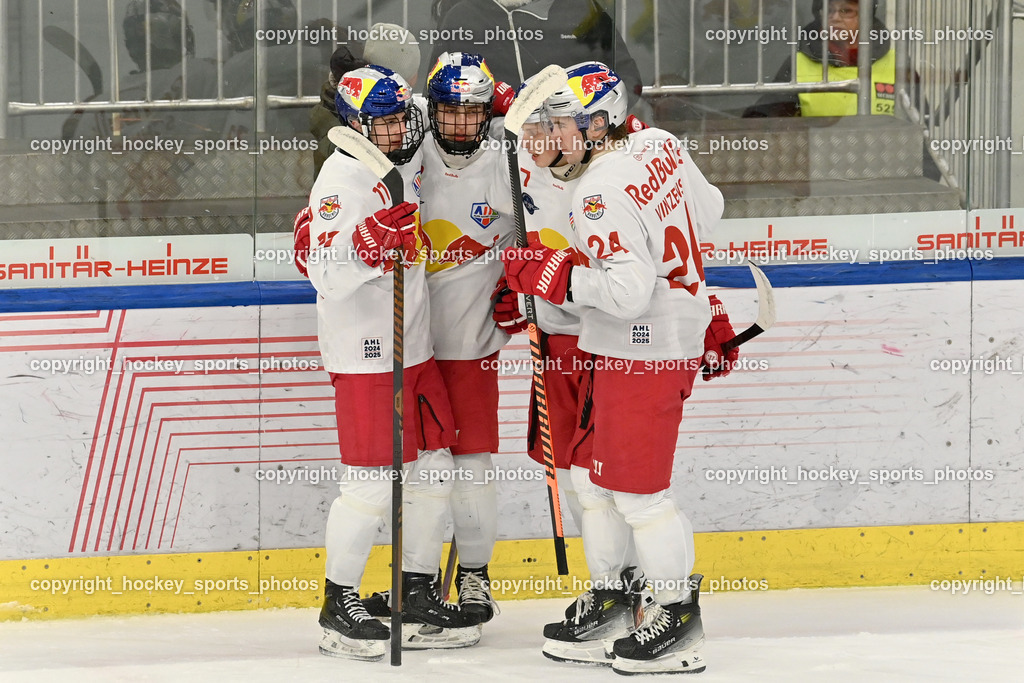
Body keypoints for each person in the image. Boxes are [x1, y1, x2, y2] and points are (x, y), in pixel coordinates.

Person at [501, 62, 738, 674]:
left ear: (599, 124)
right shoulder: (658, 143)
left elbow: (627, 291)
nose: (547, 142)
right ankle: (619, 595)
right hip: (636, 343)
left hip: (642, 348)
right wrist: (693, 294)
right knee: (599, 483)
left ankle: (678, 617)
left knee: (639, 494)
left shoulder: (596, 190)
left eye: (560, 127)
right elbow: (707, 210)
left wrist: (553, 273)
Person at [307, 64, 481, 661]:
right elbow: (325, 274)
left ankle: (414, 591)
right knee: (372, 484)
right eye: (384, 121)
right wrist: (364, 246)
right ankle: (338, 603)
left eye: (403, 118)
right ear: (356, 123)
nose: (400, 129)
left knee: (434, 469)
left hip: (417, 348)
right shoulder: (341, 179)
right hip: (368, 356)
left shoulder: (390, 164)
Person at [429, 0, 644, 109]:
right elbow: (434, 91)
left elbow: (627, 77)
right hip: (492, 157)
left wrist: (588, 113)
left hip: (573, 152)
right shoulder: (462, 17)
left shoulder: (580, 8)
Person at [744, 0, 894, 118]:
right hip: (816, 153)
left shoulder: (896, 64)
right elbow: (766, 119)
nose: (835, 18)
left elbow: (915, 122)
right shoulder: (798, 64)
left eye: (846, 10)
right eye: (828, 11)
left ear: (866, 16)